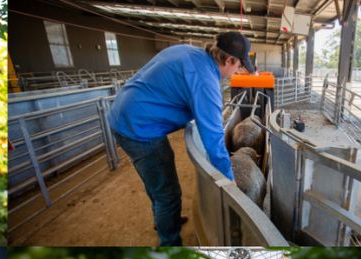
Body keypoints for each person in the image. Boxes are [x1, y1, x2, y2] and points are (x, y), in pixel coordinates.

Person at [107, 31, 256, 245]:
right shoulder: (205, 81)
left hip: (126, 114)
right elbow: (214, 139)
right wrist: (229, 181)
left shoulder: (188, 51)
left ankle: (167, 220)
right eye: (239, 66)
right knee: (167, 192)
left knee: (157, 182)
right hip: (139, 127)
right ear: (229, 60)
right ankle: (170, 242)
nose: (237, 71)